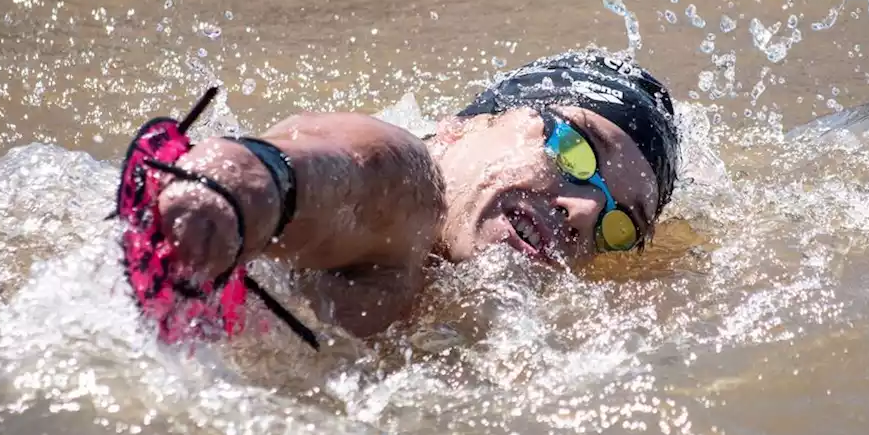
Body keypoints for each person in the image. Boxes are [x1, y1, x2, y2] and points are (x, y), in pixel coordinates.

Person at [152, 49, 681, 339]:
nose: (587, 211)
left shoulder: (488, 318)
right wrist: (242, 186)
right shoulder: (411, 182)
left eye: (621, 224)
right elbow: (361, 171)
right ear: (463, 127)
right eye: (576, 149)